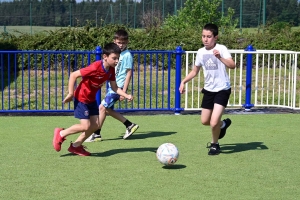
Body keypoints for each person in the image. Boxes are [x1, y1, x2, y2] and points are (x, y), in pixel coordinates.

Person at [52, 42, 133, 156]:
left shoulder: (110, 71)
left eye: (118, 58)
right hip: (81, 98)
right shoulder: (95, 67)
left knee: (95, 126)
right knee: (85, 126)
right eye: (114, 58)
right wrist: (71, 93)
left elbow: (115, 88)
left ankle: (76, 146)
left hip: (91, 100)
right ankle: (61, 133)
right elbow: (74, 75)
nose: (117, 61)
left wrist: (126, 95)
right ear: (105, 57)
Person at [179, 23, 236, 156]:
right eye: (203, 36)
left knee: (213, 121)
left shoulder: (221, 49)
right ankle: (223, 125)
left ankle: (214, 144)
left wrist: (219, 57)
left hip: (222, 89)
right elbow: (195, 71)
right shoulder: (200, 52)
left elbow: (232, 65)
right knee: (205, 121)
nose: (205, 39)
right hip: (209, 89)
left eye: (209, 37)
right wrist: (183, 81)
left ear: (215, 37)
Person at [85, 29, 139, 142]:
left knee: (102, 107)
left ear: (127, 42)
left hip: (118, 87)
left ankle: (97, 133)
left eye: (123, 42)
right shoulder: (115, 54)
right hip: (112, 85)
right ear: (114, 41)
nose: (121, 45)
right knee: (107, 109)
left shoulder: (127, 55)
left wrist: (124, 91)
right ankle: (128, 125)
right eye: (119, 42)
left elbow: (128, 73)